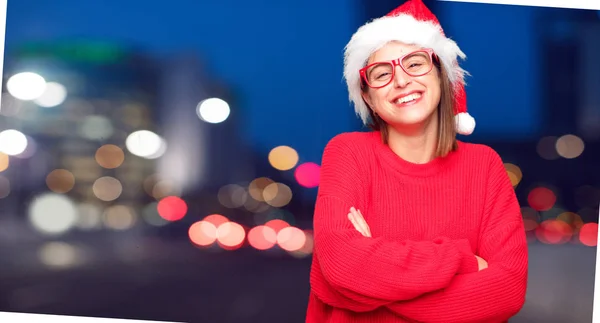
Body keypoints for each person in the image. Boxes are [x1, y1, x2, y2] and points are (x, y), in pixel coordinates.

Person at [305, 0, 528, 322]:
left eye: (415, 63)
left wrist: (373, 287)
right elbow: (341, 268)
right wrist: (462, 260)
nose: (401, 81)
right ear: (368, 97)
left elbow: (506, 291)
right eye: (381, 74)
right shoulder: (348, 152)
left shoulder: (484, 165)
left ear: (442, 74)